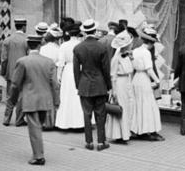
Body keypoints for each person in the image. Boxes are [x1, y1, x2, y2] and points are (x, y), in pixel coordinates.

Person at [10, 35, 60, 165]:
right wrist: (56, 101)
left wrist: (13, 100)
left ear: (28, 46)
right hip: (45, 100)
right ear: (39, 46)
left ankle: (38, 156)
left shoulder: (22, 61)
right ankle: (38, 153)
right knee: (38, 127)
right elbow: (55, 83)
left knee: (34, 129)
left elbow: (15, 84)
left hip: (30, 99)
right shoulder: (49, 62)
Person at [73, 19, 111, 151]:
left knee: (86, 114)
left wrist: (78, 85)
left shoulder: (78, 48)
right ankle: (101, 142)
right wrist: (108, 85)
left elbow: (76, 69)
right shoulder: (102, 47)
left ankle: (88, 141)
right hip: (100, 83)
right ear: (95, 30)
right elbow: (106, 69)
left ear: (84, 31)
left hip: (85, 83)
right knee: (101, 114)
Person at [130, 27, 164, 141]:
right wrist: (157, 81)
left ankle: (138, 129)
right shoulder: (146, 53)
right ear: (150, 42)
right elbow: (149, 70)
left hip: (136, 79)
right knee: (148, 105)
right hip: (144, 79)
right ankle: (149, 130)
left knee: (138, 105)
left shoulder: (135, 51)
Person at [105, 30, 135, 144]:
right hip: (119, 84)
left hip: (127, 82)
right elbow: (112, 75)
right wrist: (114, 90)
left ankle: (125, 133)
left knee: (127, 108)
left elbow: (132, 69)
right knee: (121, 108)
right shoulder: (116, 58)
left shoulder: (127, 56)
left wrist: (131, 58)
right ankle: (120, 134)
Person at [55, 21, 85, 129]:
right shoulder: (81, 44)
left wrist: (59, 75)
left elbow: (60, 62)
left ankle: (66, 122)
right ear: (78, 34)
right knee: (78, 95)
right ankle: (79, 122)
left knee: (67, 95)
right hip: (80, 70)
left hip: (68, 71)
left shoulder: (64, 45)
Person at [1, 18, 28, 126]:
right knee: (21, 97)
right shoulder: (27, 40)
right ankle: (19, 119)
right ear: (24, 26)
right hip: (23, 73)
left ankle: (6, 119)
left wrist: (3, 72)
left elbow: (4, 59)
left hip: (11, 73)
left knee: (10, 96)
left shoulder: (7, 40)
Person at [39, 24, 63, 130]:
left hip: (42, 73)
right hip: (54, 72)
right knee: (54, 96)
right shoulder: (59, 49)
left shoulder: (43, 48)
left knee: (44, 96)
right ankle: (52, 120)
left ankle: (43, 120)